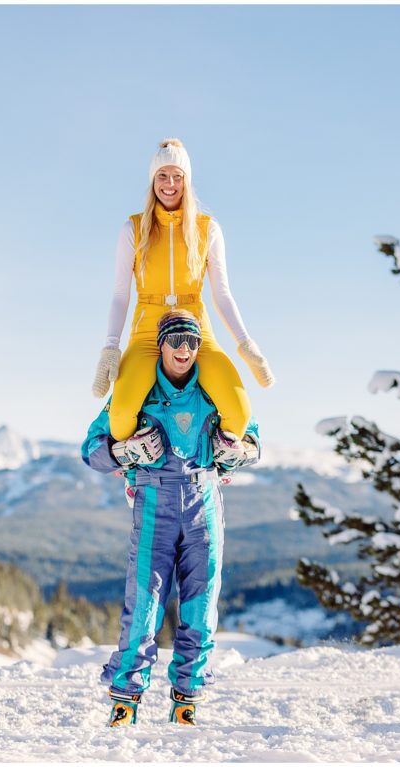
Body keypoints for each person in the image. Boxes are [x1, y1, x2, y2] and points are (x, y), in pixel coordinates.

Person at [82, 309, 261, 727]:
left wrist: (242, 451)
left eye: (192, 341)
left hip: (204, 504)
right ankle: (126, 697)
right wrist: (123, 452)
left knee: (201, 607)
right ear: (159, 344)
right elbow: (91, 447)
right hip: (154, 504)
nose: (184, 349)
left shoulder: (214, 393)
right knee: (143, 605)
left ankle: (187, 695)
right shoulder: (137, 393)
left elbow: (254, 438)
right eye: (176, 340)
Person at [91, 137, 275, 445]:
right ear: (152, 181)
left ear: (187, 182)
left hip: (196, 332)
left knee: (239, 412)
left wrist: (246, 344)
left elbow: (222, 294)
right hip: (148, 333)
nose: (170, 183)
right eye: (162, 175)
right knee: (121, 416)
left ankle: (213, 458)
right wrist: (111, 347)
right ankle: (136, 461)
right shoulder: (133, 229)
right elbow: (120, 294)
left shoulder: (207, 229)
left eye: (178, 176)